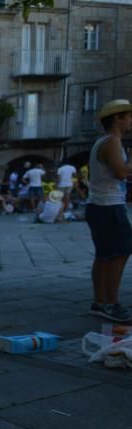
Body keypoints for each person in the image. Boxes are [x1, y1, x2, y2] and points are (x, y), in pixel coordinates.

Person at [85, 99, 132, 322]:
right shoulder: (112, 141)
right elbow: (121, 173)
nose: (131, 121)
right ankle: (112, 304)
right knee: (119, 253)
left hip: (100, 205)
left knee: (104, 255)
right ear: (117, 118)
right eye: (128, 116)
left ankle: (100, 302)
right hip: (108, 205)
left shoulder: (103, 141)